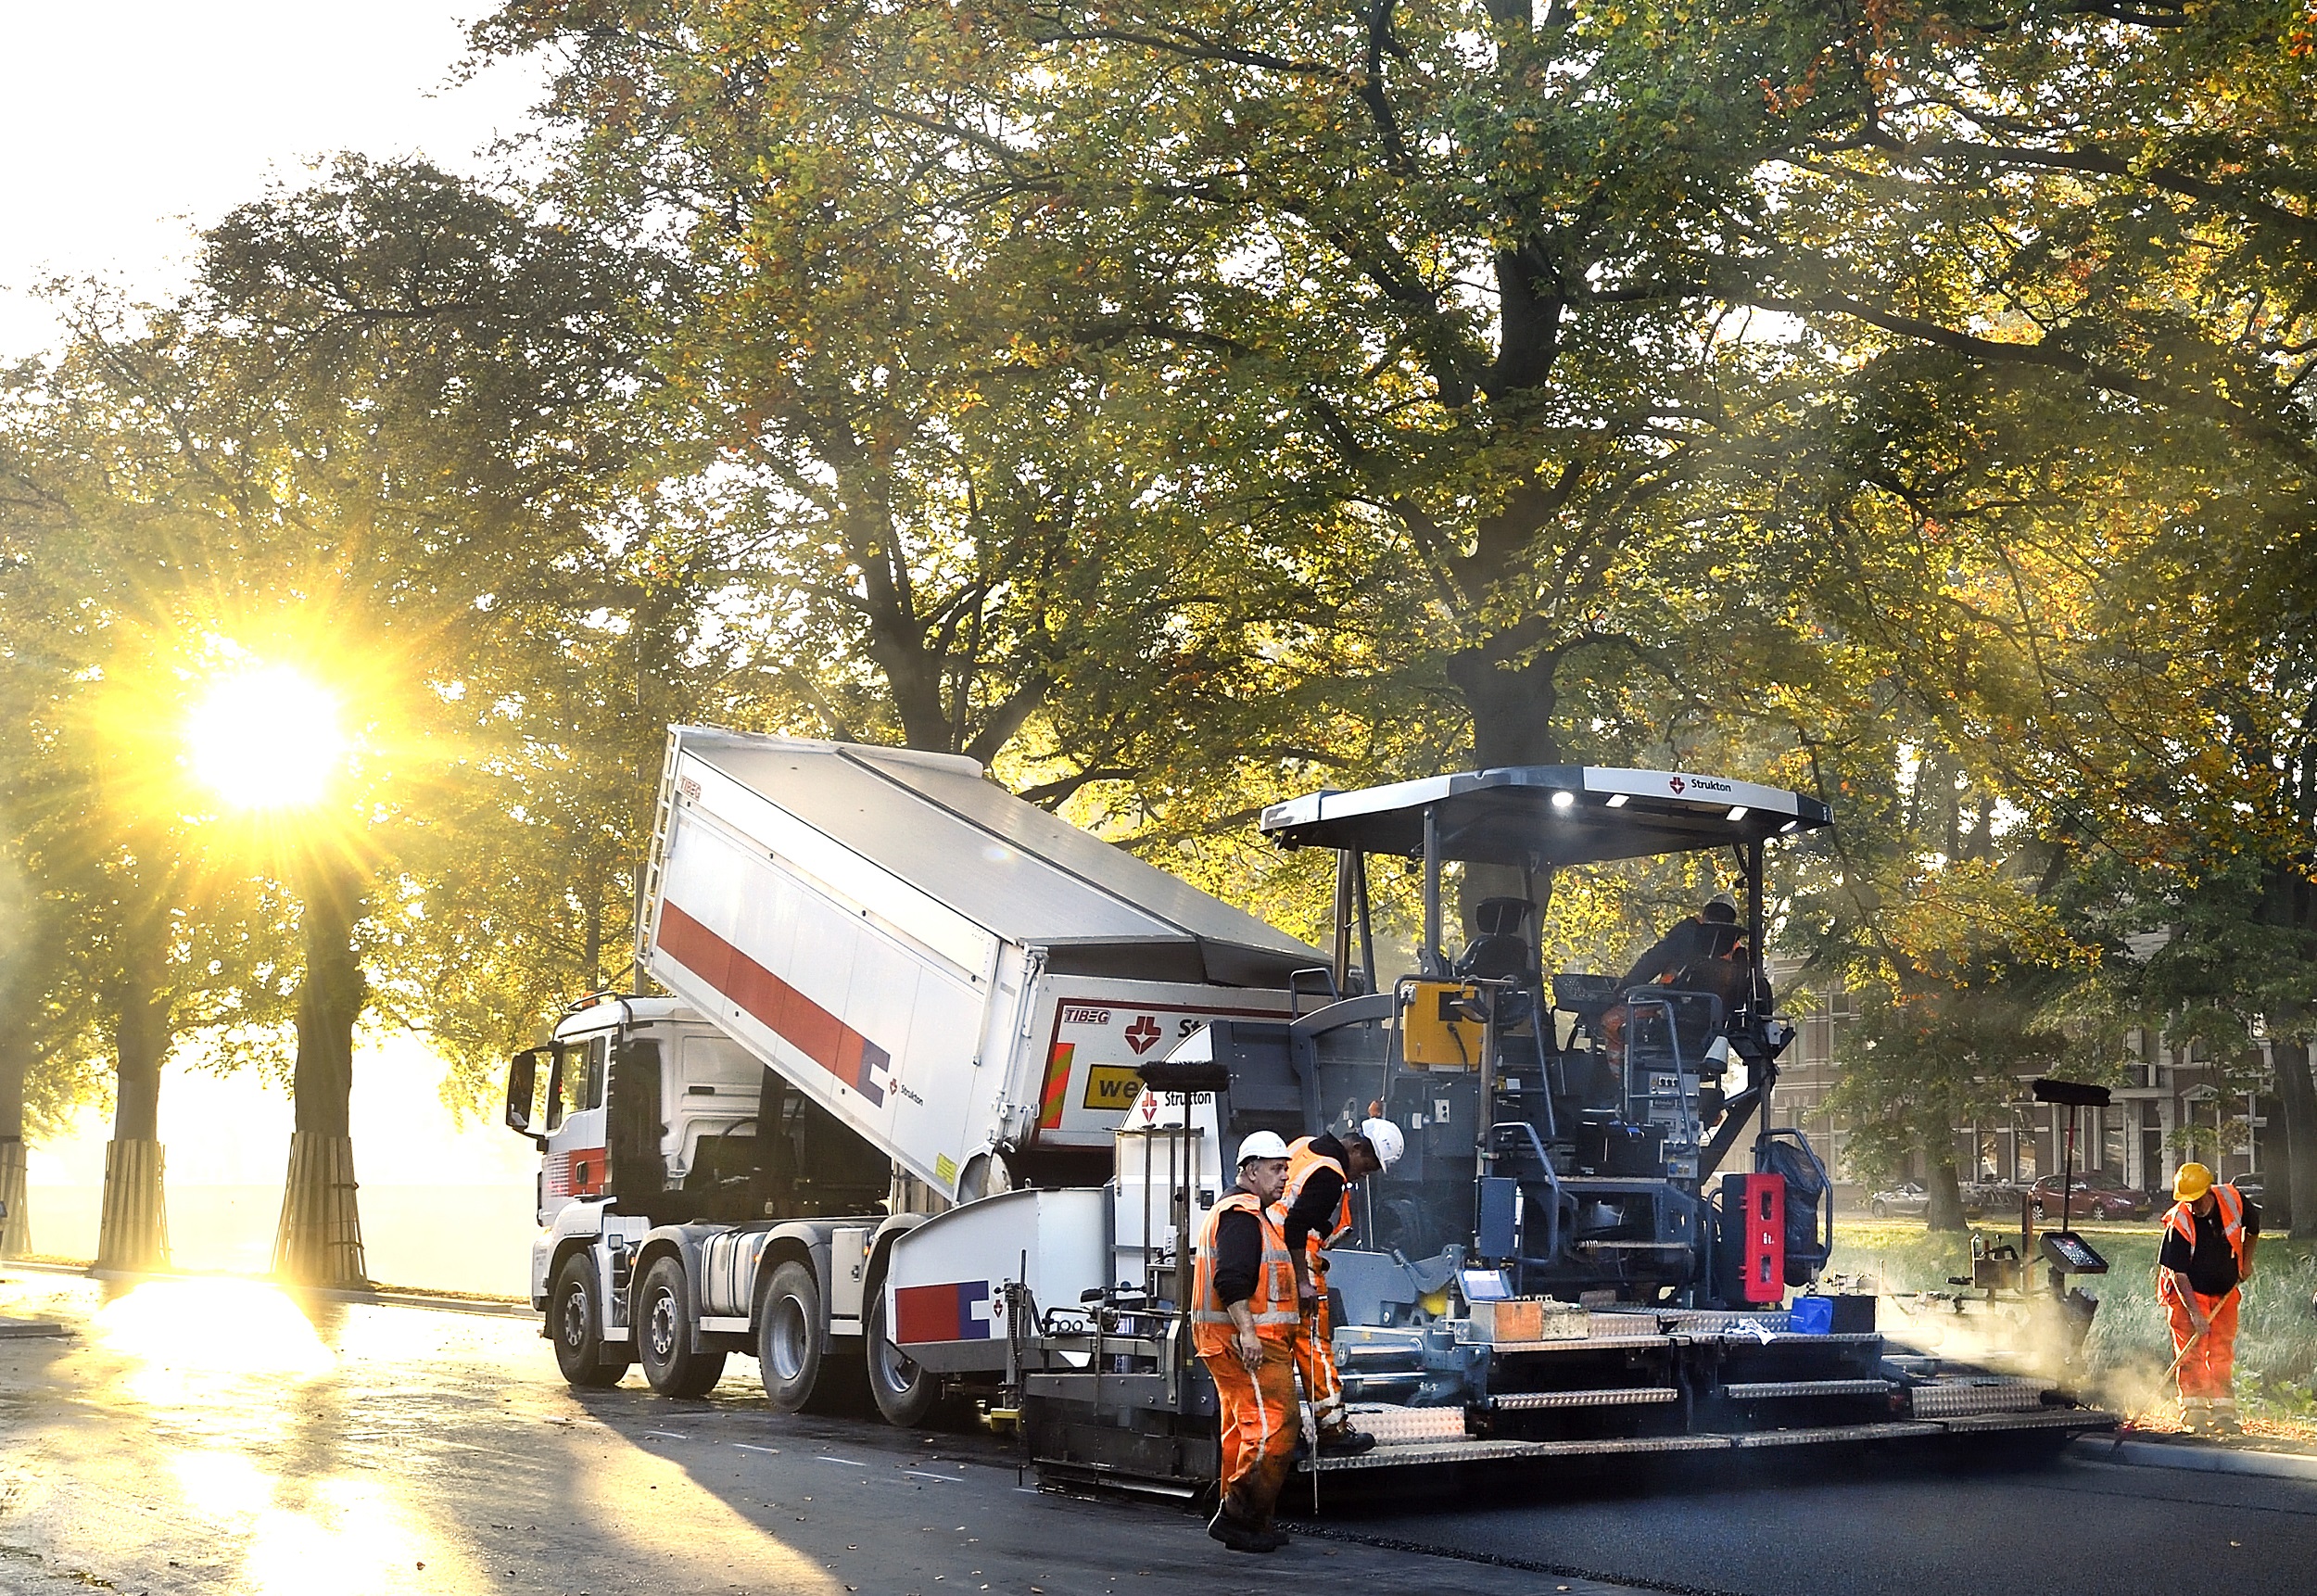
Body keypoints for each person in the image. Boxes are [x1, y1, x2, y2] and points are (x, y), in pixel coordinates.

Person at [1191, 1131, 1299, 1552]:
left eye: (1286, 1168)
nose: (1284, 1176)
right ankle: (1238, 1517)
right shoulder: (1242, 1215)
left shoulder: (1245, 1213)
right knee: (1275, 1426)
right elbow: (1231, 1280)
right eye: (1276, 1169)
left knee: (1243, 1429)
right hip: (1249, 1343)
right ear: (1251, 1171)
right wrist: (1250, 1334)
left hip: (1231, 1340)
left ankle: (1250, 1522)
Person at [1274, 1117, 1405, 1456]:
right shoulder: (1330, 1174)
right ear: (1357, 1148)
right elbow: (1296, 1225)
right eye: (1368, 1166)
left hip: (1269, 1261)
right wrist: (1303, 1281)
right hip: (1296, 1263)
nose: (1365, 1175)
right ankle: (1332, 1430)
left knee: (1278, 1349)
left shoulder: (1302, 1146)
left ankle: (1283, 1433)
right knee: (1314, 1346)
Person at [2158, 1161, 2260, 1435]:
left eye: (2198, 1200)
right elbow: (2178, 1273)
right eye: (2188, 1201)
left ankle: (2224, 1411)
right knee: (2191, 1352)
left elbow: (2253, 1229)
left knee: (2221, 1351)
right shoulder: (2180, 1222)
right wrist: (2195, 1313)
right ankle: (2194, 1411)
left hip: (2224, 1292)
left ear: (2209, 1191)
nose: (2194, 1206)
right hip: (2188, 1294)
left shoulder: (2233, 1200)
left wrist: (2246, 1262)